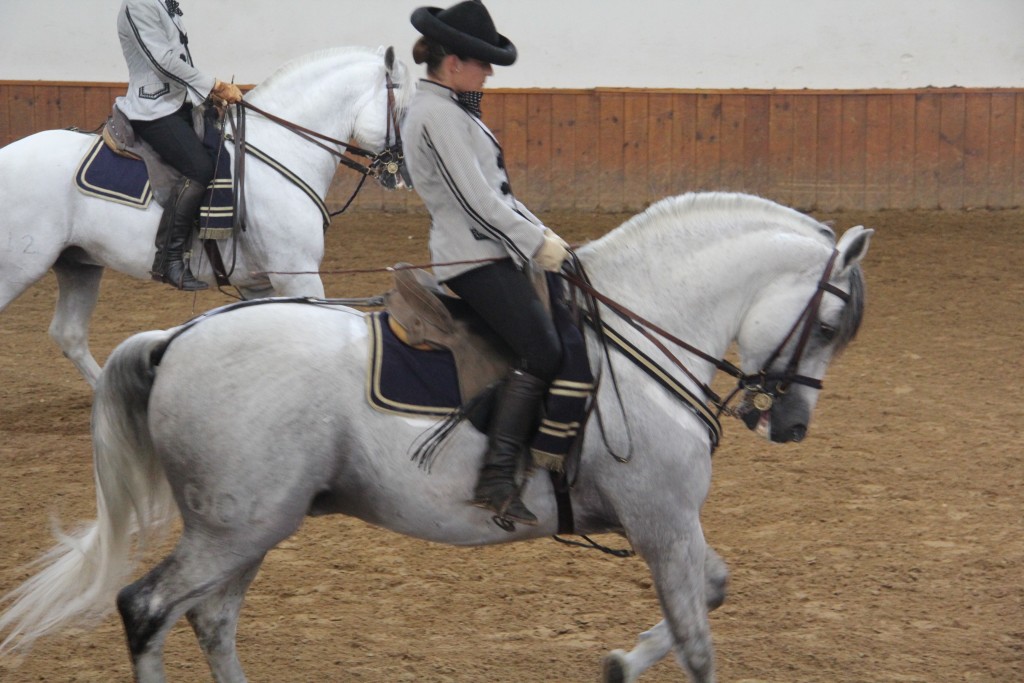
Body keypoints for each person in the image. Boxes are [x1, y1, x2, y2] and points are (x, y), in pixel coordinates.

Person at [404, 1, 571, 525]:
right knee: (541, 349)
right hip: (472, 258)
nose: (490, 72)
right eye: (482, 62)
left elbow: (498, 194)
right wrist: (535, 244)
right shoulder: (436, 115)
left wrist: (543, 234)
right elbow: (476, 199)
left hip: (492, 247)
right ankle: (496, 476)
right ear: (454, 63)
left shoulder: (452, 110)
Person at [115, 0, 243, 291]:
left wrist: (203, 94)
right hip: (153, 108)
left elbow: (180, 55)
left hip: (177, 102)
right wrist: (215, 85)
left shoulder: (162, 1)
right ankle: (168, 259)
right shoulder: (137, 4)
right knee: (198, 168)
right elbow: (162, 61)